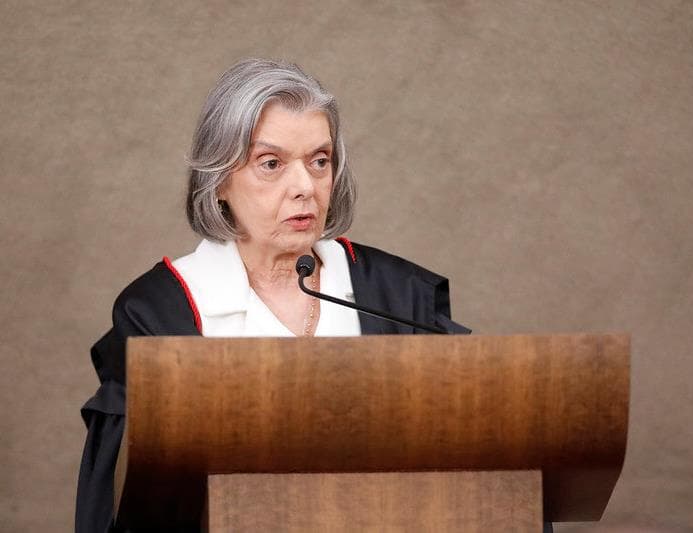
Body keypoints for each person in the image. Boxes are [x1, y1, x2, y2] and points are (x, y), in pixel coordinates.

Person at [75, 58, 469, 532]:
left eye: (319, 161)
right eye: (271, 164)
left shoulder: (399, 296)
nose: (305, 187)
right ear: (219, 179)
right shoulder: (158, 315)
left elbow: (475, 463)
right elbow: (131, 507)